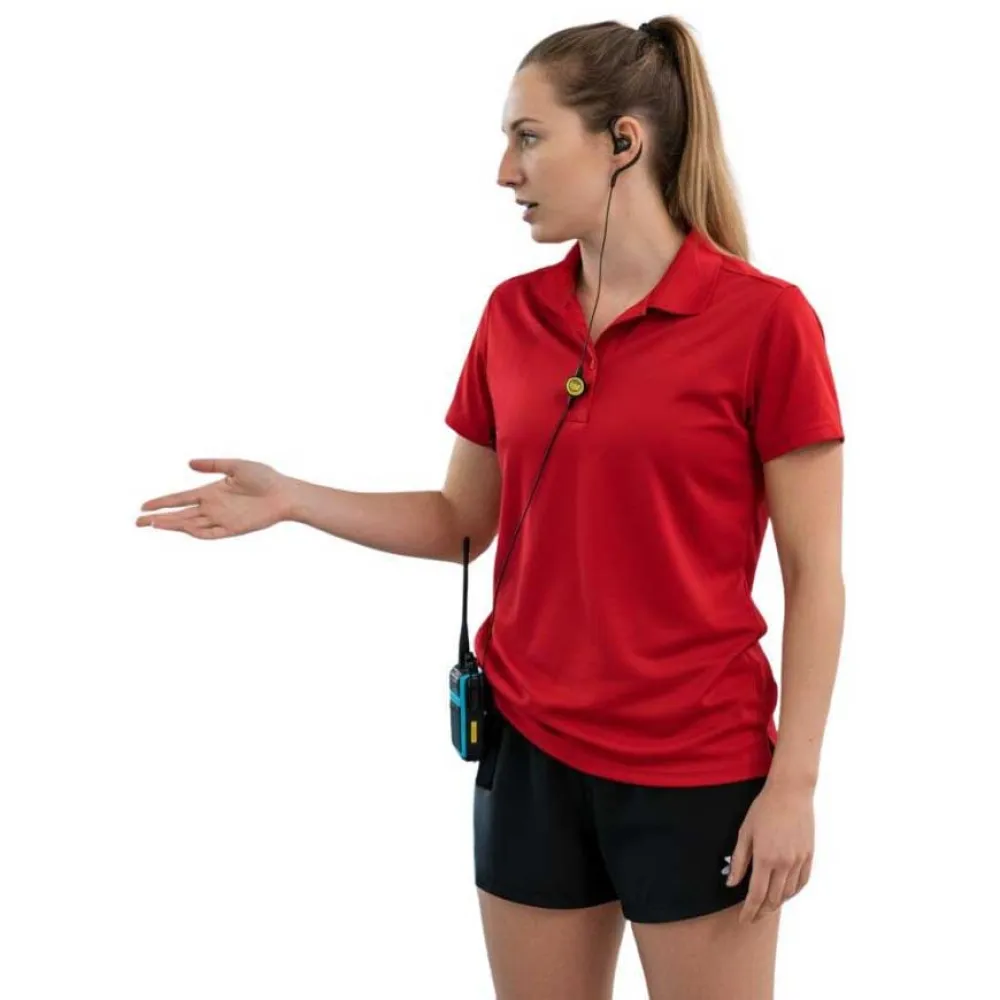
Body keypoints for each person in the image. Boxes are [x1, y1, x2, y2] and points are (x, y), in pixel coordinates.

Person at [136, 15, 845, 1000]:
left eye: (528, 137)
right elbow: (459, 521)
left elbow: (815, 575)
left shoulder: (766, 321)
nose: (505, 172)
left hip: (695, 766)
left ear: (623, 141)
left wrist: (793, 785)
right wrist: (294, 499)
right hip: (530, 754)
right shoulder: (514, 315)